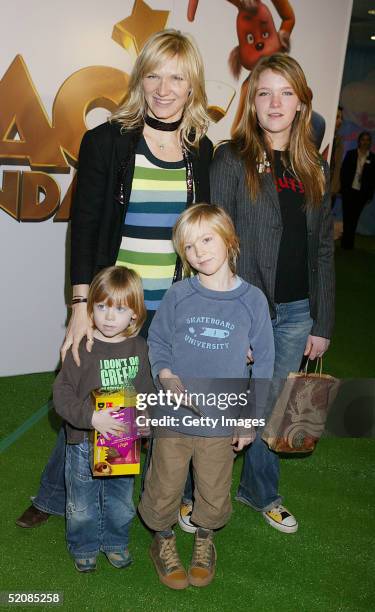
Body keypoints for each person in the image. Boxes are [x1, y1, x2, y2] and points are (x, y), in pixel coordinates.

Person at [16, 29, 213, 528]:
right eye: (154, 76)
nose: (164, 89)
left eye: (177, 78)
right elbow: (82, 229)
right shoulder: (106, 141)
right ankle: (57, 497)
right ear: (140, 79)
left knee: (156, 412)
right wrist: (80, 308)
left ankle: (139, 510)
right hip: (118, 312)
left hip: (173, 311)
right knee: (104, 407)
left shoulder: (201, 151)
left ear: (193, 87)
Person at [208, 53, 335, 534]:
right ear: (252, 102)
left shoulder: (314, 167)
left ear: (302, 103)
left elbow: (322, 249)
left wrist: (322, 323)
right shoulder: (231, 158)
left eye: (286, 93)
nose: (275, 102)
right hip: (244, 307)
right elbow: (215, 242)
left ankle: (260, 491)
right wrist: (231, 317)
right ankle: (193, 491)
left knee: (274, 404)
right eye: (264, 92)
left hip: (298, 312)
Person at [139, 203, 274, 589]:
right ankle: (162, 540)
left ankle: (204, 539)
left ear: (229, 238)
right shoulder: (179, 294)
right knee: (164, 483)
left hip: (221, 418)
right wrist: (164, 371)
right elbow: (160, 340)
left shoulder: (253, 301)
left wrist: (250, 418)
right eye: (189, 247)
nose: (199, 252)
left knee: (214, 489)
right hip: (174, 415)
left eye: (206, 239)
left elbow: (263, 362)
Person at [53, 266, 154, 572]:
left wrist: (146, 419)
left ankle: (115, 541)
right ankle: (83, 544)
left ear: (134, 315)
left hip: (123, 440)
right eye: (102, 307)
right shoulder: (81, 346)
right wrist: (91, 417)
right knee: (82, 502)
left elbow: (148, 392)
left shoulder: (140, 349)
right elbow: (61, 395)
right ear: (90, 308)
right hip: (83, 440)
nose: (110, 317)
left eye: (120, 309)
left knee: (120, 499)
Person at [340, 131, 375, 249]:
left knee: (355, 217)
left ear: (370, 142)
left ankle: (350, 242)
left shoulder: (372, 158)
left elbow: (373, 179)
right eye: (363, 139)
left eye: (367, 140)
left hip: (362, 193)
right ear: (359, 141)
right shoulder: (351, 154)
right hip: (349, 190)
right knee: (347, 216)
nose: (365, 142)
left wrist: (370, 194)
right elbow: (343, 172)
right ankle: (345, 241)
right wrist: (343, 188)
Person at [330, 106, 344, 209]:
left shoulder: (339, 140)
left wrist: (335, 187)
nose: (340, 121)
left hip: (330, 190)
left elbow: (337, 166)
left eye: (341, 118)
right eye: (338, 117)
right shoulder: (319, 135)